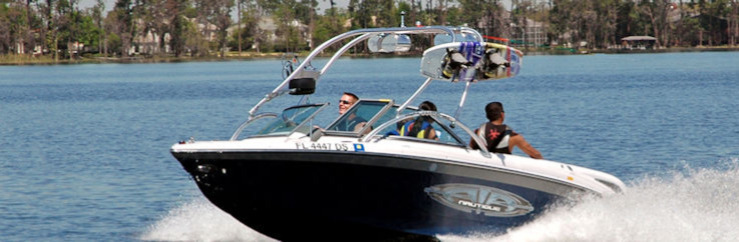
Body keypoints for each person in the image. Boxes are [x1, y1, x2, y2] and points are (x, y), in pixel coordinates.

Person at [470, 102, 542, 159]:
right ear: (502, 115)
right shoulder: (514, 137)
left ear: (487, 116)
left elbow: (471, 151)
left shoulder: (477, 132)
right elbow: (535, 154)